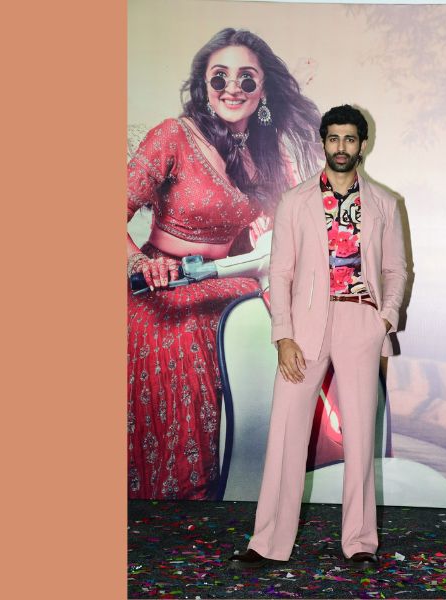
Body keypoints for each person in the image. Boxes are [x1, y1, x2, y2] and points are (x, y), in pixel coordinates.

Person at [127, 28, 322, 500]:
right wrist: (138, 262)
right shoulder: (172, 136)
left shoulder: (266, 154)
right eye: (220, 78)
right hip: (164, 291)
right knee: (191, 342)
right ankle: (183, 503)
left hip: (230, 286)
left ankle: (253, 493)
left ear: (263, 89)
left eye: (246, 79)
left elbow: (281, 232)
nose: (232, 88)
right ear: (204, 86)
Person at [231, 105, 408, 570]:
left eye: (349, 139)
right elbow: (280, 271)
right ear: (323, 142)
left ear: (362, 144)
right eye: (333, 138)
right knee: (286, 432)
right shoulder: (295, 201)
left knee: (361, 438)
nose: (341, 147)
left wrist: (384, 320)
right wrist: (283, 336)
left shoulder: (385, 203)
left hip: (360, 323)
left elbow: (396, 270)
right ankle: (267, 542)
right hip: (304, 328)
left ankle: (360, 541)